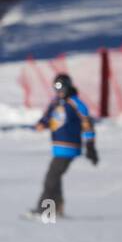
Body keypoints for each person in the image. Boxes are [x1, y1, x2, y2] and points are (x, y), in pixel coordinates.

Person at [28, 74, 98, 219]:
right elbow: (48, 117)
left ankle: (45, 211)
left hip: (69, 147)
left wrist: (90, 145)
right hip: (58, 147)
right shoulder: (56, 102)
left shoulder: (75, 103)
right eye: (56, 88)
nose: (58, 91)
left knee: (51, 178)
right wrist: (42, 123)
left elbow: (87, 124)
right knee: (55, 177)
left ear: (68, 86)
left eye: (61, 87)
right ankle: (57, 209)